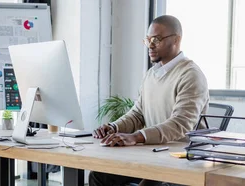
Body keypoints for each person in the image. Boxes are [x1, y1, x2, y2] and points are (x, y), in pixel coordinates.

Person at [89, 15, 209, 186]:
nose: (150, 45)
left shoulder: (191, 75)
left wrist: (136, 137)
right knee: (100, 176)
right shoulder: (152, 74)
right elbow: (138, 114)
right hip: (156, 154)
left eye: (156, 39)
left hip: (182, 159)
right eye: (148, 40)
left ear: (176, 39)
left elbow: (180, 124)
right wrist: (114, 127)